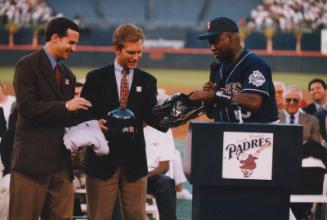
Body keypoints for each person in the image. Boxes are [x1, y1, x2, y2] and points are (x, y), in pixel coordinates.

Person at [80, 23, 166, 220]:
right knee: (99, 217)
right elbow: (82, 114)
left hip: (134, 163)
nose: (136, 57)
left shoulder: (148, 81)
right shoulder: (95, 78)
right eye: (131, 52)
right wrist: (94, 124)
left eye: (140, 52)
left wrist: (176, 115)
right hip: (101, 161)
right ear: (116, 48)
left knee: (137, 216)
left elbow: (153, 117)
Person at [9, 17, 91, 220]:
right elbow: (27, 108)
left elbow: (65, 118)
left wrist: (92, 125)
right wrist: (65, 106)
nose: (74, 48)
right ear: (55, 37)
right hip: (31, 164)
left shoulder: (68, 76)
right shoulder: (26, 65)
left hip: (61, 165)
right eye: (71, 42)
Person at [188, 17, 279, 123]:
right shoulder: (220, 68)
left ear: (231, 38)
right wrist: (210, 99)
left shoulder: (254, 64)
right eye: (210, 43)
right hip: (229, 133)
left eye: (216, 41)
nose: (212, 47)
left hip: (259, 135)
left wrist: (213, 94)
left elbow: (253, 102)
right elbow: (211, 114)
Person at [144, 125, 177, 220]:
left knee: (165, 182)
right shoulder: (128, 126)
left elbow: (164, 166)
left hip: (151, 177)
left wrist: (143, 179)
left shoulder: (163, 128)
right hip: (129, 178)